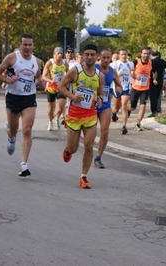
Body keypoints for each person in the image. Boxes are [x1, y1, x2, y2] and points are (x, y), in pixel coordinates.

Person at [0, 33, 44, 176]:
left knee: (27, 130)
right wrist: (8, 80)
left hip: (29, 98)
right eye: (25, 44)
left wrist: (42, 83)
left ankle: (23, 164)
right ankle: (11, 137)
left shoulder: (37, 62)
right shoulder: (12, 58)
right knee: (14, 130)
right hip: (13, 97)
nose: (27, 47)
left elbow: (38, 77)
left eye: (30, 45)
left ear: (33, 46)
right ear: (20, 45)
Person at [57, 43, 104, 189]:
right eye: (87, 54)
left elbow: (100, 94)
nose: (89, 57)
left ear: (97, 57)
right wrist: (72, 96)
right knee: (73, 148)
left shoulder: (100, 75)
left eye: (92, 55)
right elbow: (61, 86)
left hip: (90, 115)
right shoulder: (75, 71)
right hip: (74, 114)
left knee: (89, 145)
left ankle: (84, 177)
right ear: (83, 56)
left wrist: (99, 99)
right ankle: (68, 150)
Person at [94, 49, 122, 168]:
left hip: (105, 104)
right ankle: (88, 151)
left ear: (111, 58)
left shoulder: (112, 71)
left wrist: (119, 89)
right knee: (91, 132)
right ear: (100, 57)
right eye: (104, 57)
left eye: (108, 58)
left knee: (105, 131)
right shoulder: (94, 68)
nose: (106, 60)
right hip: (92, 104)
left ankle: (98, 157)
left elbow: (119, 85)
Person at [129, 46, 157, 131]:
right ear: (141, 54)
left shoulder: (151, 63)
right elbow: (131, 72)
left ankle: (138, 124)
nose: (146, 55)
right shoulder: (136, 62)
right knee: (133, 107)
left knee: (143, 106)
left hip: (145, 89)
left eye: (147, 53)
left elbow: (155, 72)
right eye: (144, 53)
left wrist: (154, 79)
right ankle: (128, 110)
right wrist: (135, 76)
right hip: (135, 88)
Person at [42, 47, 68, 131]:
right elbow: (43, 76)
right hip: (51, 87)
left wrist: (67, 82)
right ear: (54, 54)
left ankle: (56, 117)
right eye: (58, 53)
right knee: (51, 106)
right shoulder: (50, 63)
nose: (60, 55)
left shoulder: (65, 63)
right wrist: (50, 80)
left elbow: (69, 74)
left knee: (61, 105)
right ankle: (50, 121)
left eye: (61, 54)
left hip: (61, 87)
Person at [110, 48, 134, 132]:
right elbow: (110, 75)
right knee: (116, 108)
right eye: (122, 54)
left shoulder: (131, 64)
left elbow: (132, 73)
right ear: (119, 55)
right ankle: (114, 113)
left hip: (126, 88)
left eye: (125, 54)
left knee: (124, 106)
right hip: (117, 88)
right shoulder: (114, 64)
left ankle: (124, 126)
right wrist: (117, 75)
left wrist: (134, 75)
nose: (124, 56)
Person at [148, 50, 166, 117]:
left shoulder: (151, 62)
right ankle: (158, 109)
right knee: (158, 96)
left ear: (151, 55)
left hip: (153, 81)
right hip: (160, 81)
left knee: (153, 97)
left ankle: (154, 111)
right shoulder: (162, 61)